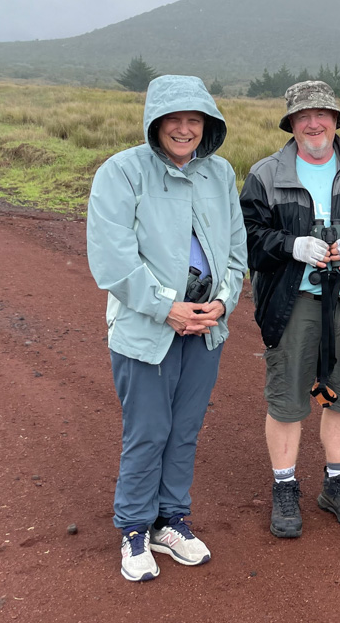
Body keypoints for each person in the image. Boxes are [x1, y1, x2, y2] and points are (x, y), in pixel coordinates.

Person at [87, 74, 247, 582]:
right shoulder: (122, 173)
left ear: (208, 124)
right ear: (155, 123)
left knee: (184, 430)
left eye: (194, 119)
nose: (184, 129)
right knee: (148, 430)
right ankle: (134, 528)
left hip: (205, 325)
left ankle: (171, 520)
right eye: (174, 120)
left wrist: (222, 303)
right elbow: (112, 262)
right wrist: (167, 307)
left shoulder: (219, 173)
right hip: (148, 326)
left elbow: (237, 252)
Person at [240, 80, 340, 538]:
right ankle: (285, 486)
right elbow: (248, 235)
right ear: (291, 123)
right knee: (288, 396)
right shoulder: (267, 174)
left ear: (335, 121)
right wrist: (291, 246)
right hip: (291, 302)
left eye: (322, 115)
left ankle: (337, 482)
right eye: (303, 116)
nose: (314, 123)